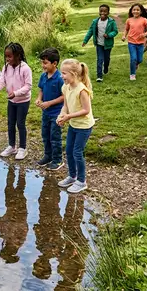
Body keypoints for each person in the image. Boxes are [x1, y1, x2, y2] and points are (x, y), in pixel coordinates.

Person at [0, 42, 32, 160]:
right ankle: (12, 146)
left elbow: (28, 86)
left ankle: (23, 148)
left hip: (23, 101)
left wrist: (16, 93)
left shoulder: (25, 68)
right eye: (6, 56)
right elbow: (1, 82)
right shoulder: (6, 67)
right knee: (10, 123)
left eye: (9, 56)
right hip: (11, 101)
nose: (7, 59)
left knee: (20, 124)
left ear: (18, 56)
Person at [56, 59, 95, 194]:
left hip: (84, 126)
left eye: (64, 73)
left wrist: (68, 117)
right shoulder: (65, 88)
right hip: (73, 124)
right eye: (62, 73)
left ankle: (82, 181)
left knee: (77, 152)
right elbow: (65, 106)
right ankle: (72, 176)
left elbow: (86, 110)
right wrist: (61, 116)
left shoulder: (82, 90)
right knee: (68, 150)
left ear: (74, 74)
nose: (62, 76)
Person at [35, 48, 65, 170]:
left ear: (54, 63)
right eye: (42, 62)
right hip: (45, 112)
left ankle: (58, 160)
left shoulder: (60, 78)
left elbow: (64, 96)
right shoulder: (43, 76)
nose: (43, 65)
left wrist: (49, 103)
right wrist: (39, 99)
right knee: (45, 134)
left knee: (55, 136)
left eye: (45, 63)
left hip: (57, 113)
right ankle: (48, 156)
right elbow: (41, 89)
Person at [82, 4, 119, 82]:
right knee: (99, 59)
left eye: (105, 11)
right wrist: (85, 41)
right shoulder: (95, 21)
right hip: (99, 44)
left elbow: (115, 31)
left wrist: (109, 35)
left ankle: (106, 68)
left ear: (108, 12)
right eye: (101, 11)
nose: (103, 13)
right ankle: (99, 76)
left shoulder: (111, 22)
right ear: (99, 12)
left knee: (106, 59)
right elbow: (90, 31)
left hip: (108, 44)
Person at [121, 3, 147, 81]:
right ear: (131, 11)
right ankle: (132, 74)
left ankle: (136, 64)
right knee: (133, 58)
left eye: (138, 10)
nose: (136, 11)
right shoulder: (129, 20)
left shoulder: (144, 20)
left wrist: (144, 34)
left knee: (140, 59)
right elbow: (126, 29)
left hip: (141, 43)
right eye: (134, 10)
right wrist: (124, 36)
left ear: (141, 11)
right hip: (131, 42)